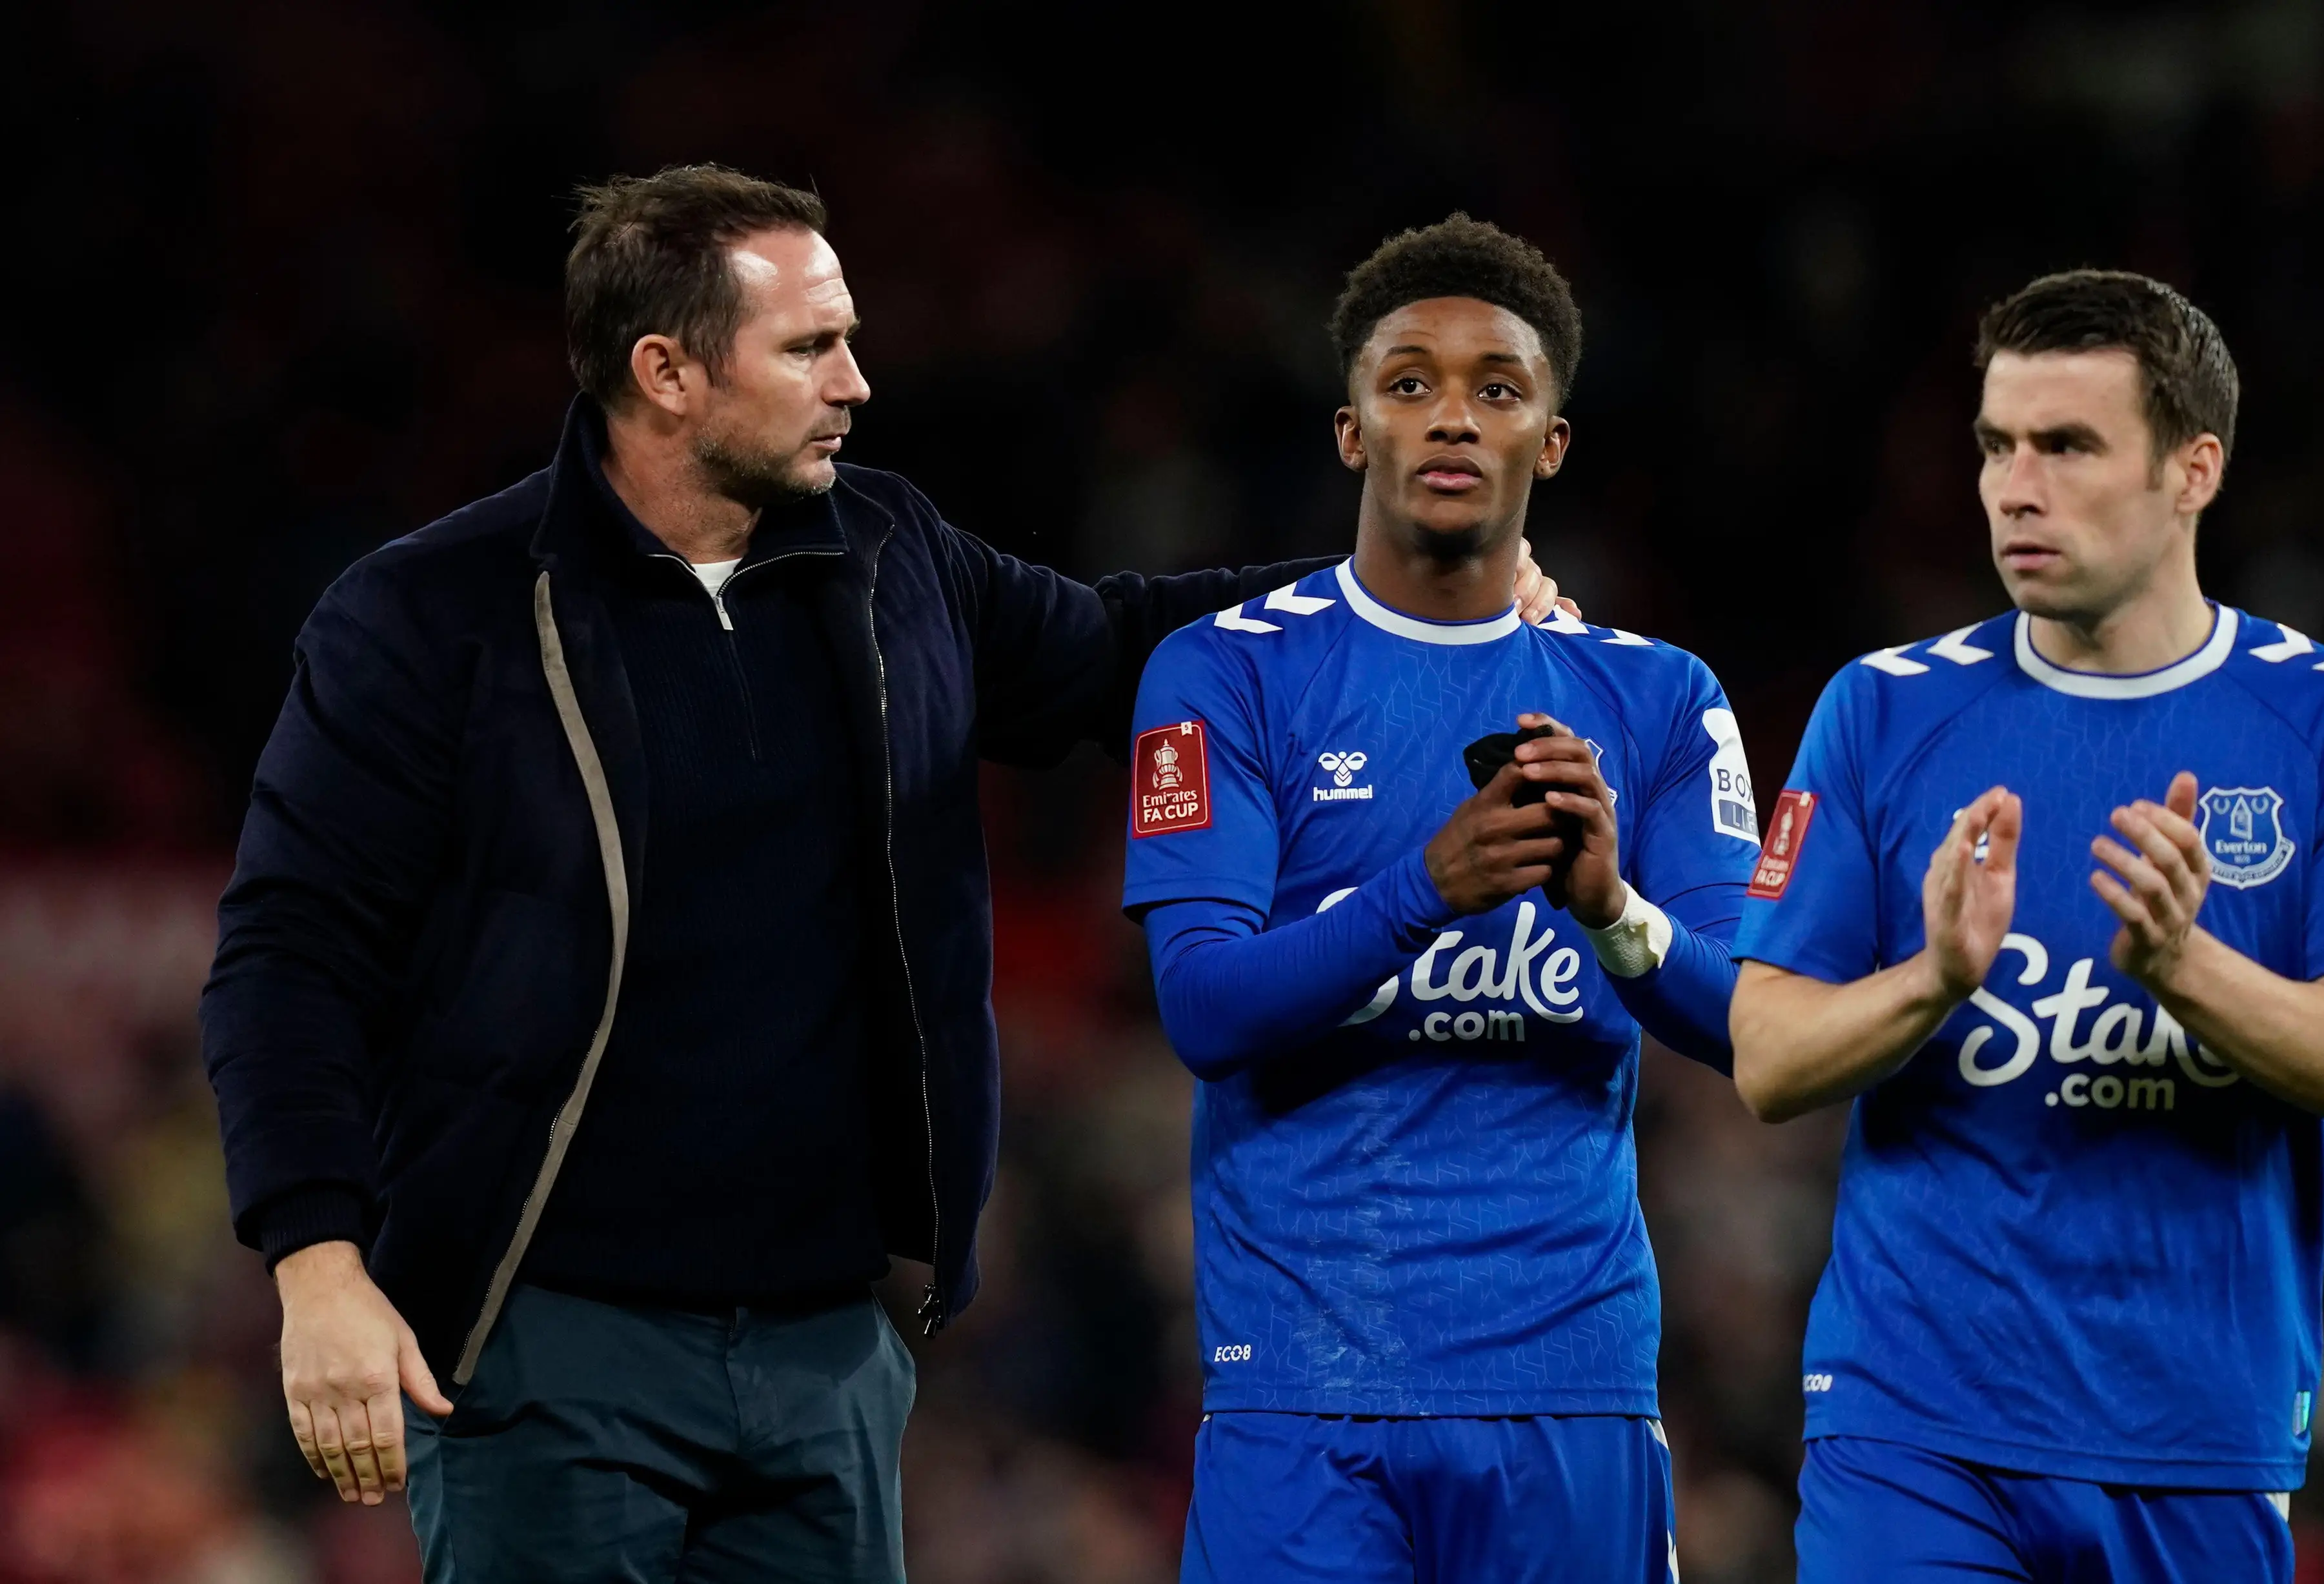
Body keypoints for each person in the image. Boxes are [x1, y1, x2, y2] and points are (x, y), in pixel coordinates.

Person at [198, 166, 1569, 1583]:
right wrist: (319, 1260)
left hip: (827, 1357)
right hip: (547, 1345)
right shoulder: (433, 617)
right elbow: (291, 952)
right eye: (809, 347)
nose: (855, 382)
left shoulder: (889, 555)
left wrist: (1399, 599)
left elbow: (1123, 649)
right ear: (666, 373)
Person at [1730, 270, 2324, 1581]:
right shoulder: (1882, 709)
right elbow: (1767, 1057)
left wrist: (2185, 966)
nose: (2015, 487)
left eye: (2067, 446)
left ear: (2193, 471)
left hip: (2198, 1436)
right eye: (1996, 446)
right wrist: (1933, 979)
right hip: (1911, 1427)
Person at [1120, 214, 1755, 1583]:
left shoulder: (1661, 695)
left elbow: (1754, 1021)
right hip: (1300, 1388)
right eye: (1409, 382)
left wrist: (1612, 910)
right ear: (1352, 431)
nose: (1452, 415)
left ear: (1552, 442)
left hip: (1569, 1379)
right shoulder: (1224, 673)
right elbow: (1203, 1007)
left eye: (1497, 388)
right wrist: (1427, 888)